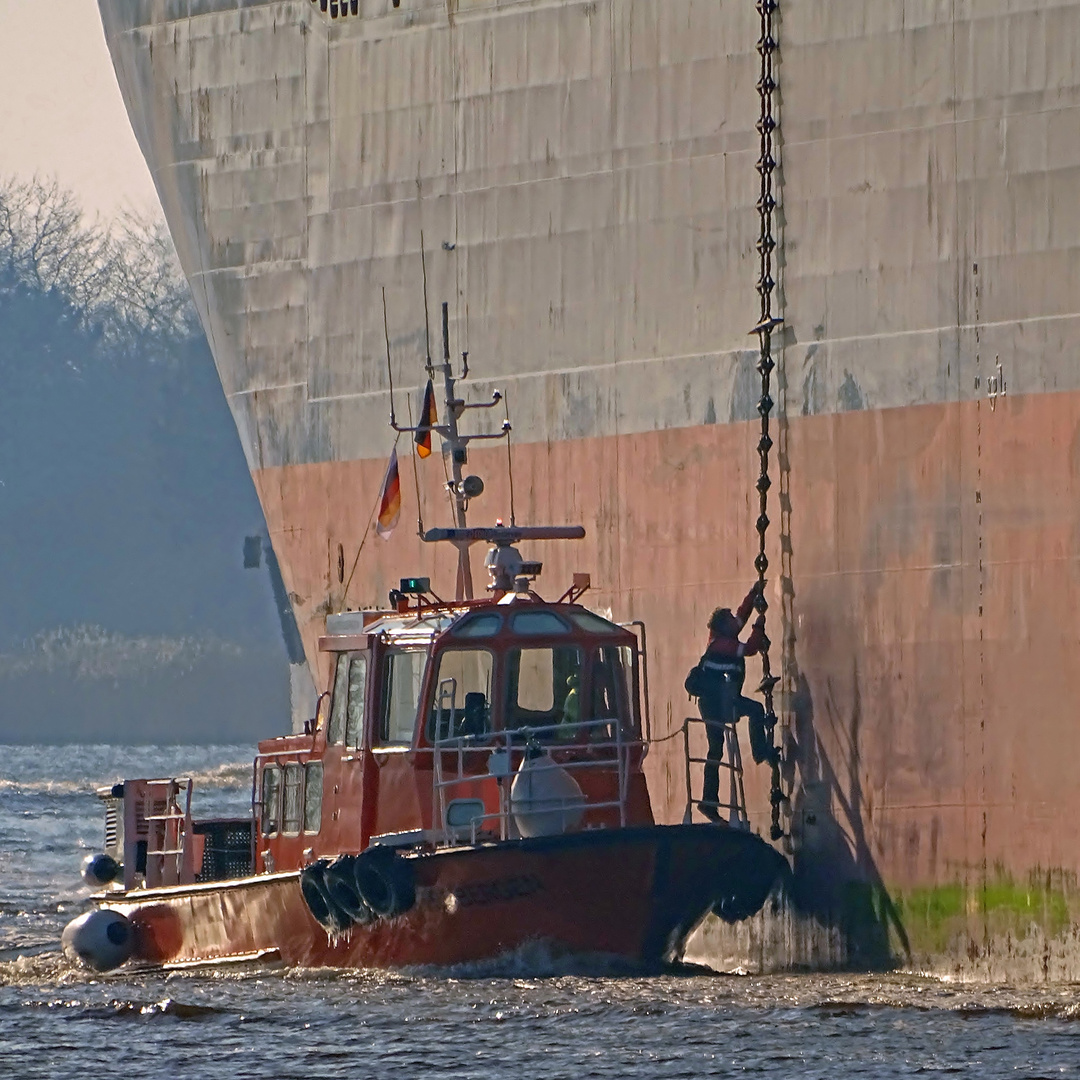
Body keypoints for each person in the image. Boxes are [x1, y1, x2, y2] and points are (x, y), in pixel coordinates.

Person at [686, 583, 769, 822]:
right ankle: (760, 753)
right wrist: (759, 625)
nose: (736, 620)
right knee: (755, 711)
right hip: (719, 704)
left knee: (716, 750)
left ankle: (707, 801)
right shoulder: (723, 646)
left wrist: (754, 592)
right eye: (730, 619)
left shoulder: (721, 639)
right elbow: (750, 648)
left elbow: (741, 616)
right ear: (724, 627)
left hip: (719, 701)